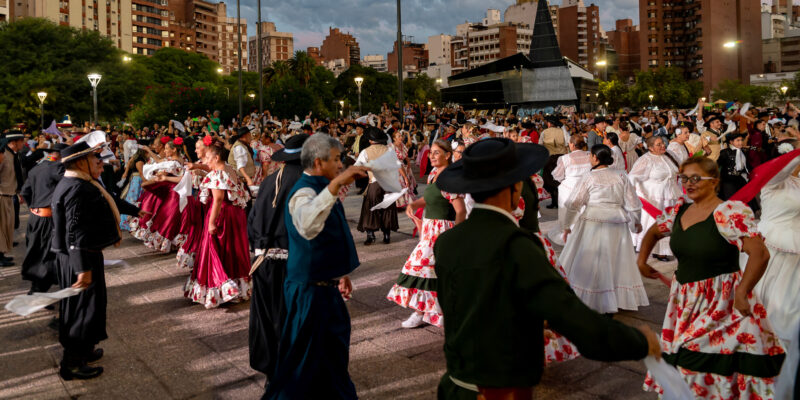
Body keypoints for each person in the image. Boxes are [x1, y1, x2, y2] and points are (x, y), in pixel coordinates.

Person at [433, 138, 661, 398]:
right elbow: (571, 317)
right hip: (499, 391)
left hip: (452, 383)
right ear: (516, 187)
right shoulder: (518, 245)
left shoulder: (447, 241)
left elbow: (470, 304)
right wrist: (640, 341)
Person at [639, 156, 785, 398]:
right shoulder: (678, 211)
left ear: (714, 181)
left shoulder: (728, 213)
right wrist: (641, 260)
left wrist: (742, 291)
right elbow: (653, 232)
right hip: (685, 301)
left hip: (721, 302)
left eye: (696, 178)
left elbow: (759, 253)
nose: (689, 183)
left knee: (693, 360)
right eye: (684, 178)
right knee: (688, 360)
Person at [265, 134, 367, 398]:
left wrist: (340, 273)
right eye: (336, 159)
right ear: (319, 162)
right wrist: (335, 186)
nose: (341, 165)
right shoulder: (303, 190)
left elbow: (328, 235)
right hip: (309, 292)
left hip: (324, 287)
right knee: (301, 364)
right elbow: (308, 225)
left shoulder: (320, 186)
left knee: (331, 360)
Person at [51, 142, 124, 380]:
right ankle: (72, 363)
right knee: (81, 311)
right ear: (81, 162)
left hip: (83, 254)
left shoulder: (77, 182)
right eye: (96, 160)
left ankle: (86, 350)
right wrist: (82, 268)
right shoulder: (77, 188)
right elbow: (75, 231)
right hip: (80, 258)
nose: (101, 165)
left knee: (90, 308)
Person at [247, 133, 309, 383]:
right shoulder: (308, 184)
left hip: (263, 261)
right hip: (294, 263)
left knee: (268, 319)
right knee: (293, 319)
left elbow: (252, 222)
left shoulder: (269, 180)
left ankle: (272, 370)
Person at [387, 139, 466, 329]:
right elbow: (430, 198)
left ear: (448, 155)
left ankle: (423, 312)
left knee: (420, 268)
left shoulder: (450, 179)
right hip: (431, 229)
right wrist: (414, 204)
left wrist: (454, 236)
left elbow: (461, 210)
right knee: (429, 272)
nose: (431, 156)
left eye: (436, 152)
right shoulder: (433, 174)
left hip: (442, 231)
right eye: (431, 152)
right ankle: (426, 311)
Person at [559, 145, 648, 314]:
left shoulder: (589, 177)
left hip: (593, 221)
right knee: (617, 259)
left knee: (592, 258)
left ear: (594, 157)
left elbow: (573, 203)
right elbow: (634, 204)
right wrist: (636, 223)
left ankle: (592, 297)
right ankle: (614, 297)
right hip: (617, 222)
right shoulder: (622, 175)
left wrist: (566, 226)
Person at [750, 145, 800, 398]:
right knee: (769, 301)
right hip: (772, 249)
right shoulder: (772, 182)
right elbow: (782, 170)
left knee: (792, 305)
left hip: (796, 252)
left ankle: (788, 349)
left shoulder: (797, 183)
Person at [184, 138, 251, 308]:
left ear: (215, 158)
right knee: (234, 249)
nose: (205, 162)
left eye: (207, 159)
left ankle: (223, 288)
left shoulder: (217, 174)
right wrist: (198, 167)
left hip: (223, 215)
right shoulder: (229, 169)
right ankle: (239, 289)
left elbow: (218, 199)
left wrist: (212, 222)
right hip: (236, 214)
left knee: (217, 249)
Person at [20, 143, 66, 293]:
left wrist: (33, 207)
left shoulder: (36, 168)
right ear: (60, 155)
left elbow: (25, 191)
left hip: (35, 217)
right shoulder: (57, 168)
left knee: (37, 252)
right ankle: (38, 290)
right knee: (47, 254)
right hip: (48, 218)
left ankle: (37, 288)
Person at [628, 136, 681, 261]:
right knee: (655, 224)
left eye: (663, 143)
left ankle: (670, 248)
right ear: (650, 148)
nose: (663, 145)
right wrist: (634, 194)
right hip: (654, 199)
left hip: (671, 196)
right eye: (658, 144)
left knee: (669, 222)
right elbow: (632, 177)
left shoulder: (669, 155)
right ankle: (657, 250)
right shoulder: (645, 160)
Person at [356, 127, 399, 245]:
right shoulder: (390, 150)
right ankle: (386, 235)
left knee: (370, 208)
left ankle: (371, 235)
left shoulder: (366, 151)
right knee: (388, 208)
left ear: (370, 140)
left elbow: (357, 167)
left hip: (374, 182)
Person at [552, 135, 592, 234]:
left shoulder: (565, 158)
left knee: (569, 211)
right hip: (587, 184)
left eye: (569, 143)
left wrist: (565, 179)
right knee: (584, 210)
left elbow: (557, 175)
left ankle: (568, 231)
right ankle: (585, 232)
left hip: (569, 186)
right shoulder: (589, 154)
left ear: (573, 145)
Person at [0, 132, 25, 266]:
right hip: (1, 195)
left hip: (10, 194)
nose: (23, 144)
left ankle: (2, 253)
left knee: (6, 227)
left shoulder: (13, 155)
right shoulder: (3, 154)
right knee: (1, 228)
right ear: (14, 142)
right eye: (22, 141)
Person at [539, 117, 568, 209]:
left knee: (550, 180)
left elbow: (540, 144)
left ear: (549, 124)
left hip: (549, 158)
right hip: (561, 158)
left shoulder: (544, 132)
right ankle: (559, 201)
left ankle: (554, 201)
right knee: (560, 180)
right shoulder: (563, 132)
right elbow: (568, 142)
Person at [717, 132, 751, 201]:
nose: (740, 142)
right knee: (731, 199)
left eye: (741, 140)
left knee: (745, 198)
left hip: (738, 179)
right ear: (731, 142)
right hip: (728, 180)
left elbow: (746, 166)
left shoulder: (743, 152)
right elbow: (718, 164)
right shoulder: (725, 152)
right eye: (738, 140)